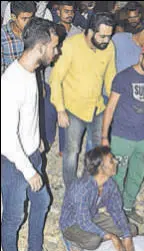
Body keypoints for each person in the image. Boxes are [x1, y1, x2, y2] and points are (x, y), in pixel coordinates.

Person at [1, 17, 60, 251]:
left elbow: (29, 115)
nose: (57, 51)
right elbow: (5, 138)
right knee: (14, 217)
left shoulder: (32, 71)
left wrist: (38, 140)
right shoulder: (11, 82)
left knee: (42, 201)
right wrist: (29, 170)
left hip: (32, 152)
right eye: (54, 46)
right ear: (40, 47)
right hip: (15, 162)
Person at [49, 12, 116, 190]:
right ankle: (71, 188)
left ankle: (88, 184)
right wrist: (60, 109)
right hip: (73, 110)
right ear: (90, 31)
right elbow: (55, 79)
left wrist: (113, 104)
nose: (106, 40)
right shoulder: (70, 46)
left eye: (109, 36)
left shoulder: (109, 48)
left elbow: (110, 77)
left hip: (98, 108)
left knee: (95, 151)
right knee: (72, 152)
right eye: (102, 36)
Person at [102, 44, 144, 224]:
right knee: (117, 174)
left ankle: (128, 207)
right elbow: (110, 108)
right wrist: (105, 137)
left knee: (137, 175)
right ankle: (115, 208)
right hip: (122, 136)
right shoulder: (123, 77)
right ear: (141, 56)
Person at [60, 146, 137, 251]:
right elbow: (83, 221)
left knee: (131, 229)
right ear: (101, 168)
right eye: (111, 161)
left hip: (92, 217)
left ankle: (99, 234)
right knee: (93, 241)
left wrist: (126, 235)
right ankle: (71, 240)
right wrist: (110, 236)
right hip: (72, 223)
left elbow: (117, 211)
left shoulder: (109, 184)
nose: (116, 161)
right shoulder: (81, 188)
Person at [43, 1, 82, 156]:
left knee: (66, 118)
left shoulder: (79, 33)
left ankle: (63, 149)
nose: (69, 14)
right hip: (50, 81)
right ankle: (47, 142)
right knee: (49, 116)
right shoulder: (48, 32)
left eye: (71, 11)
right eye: (66, 11)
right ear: (57, 12)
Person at [1, 1, 36, 75]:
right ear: (13, 17)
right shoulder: (2, 36)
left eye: (31, 18)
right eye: (24, 19)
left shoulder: (35, 33)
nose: (28, 23)